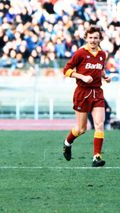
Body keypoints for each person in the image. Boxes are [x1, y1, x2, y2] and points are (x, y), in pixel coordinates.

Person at [62, 25, 111, 167]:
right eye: (90, 38)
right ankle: (67, 142)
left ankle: (96, 157)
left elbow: (100, 69)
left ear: (100, 39)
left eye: (96, 38)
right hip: (82, 93)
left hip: (97, 92)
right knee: (82, 129)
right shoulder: (80, 53)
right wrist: (82, 77)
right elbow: (66, 70)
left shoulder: (102, 54)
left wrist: (105, 77)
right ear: (86, 38)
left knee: (99, 124)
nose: (93, 40)